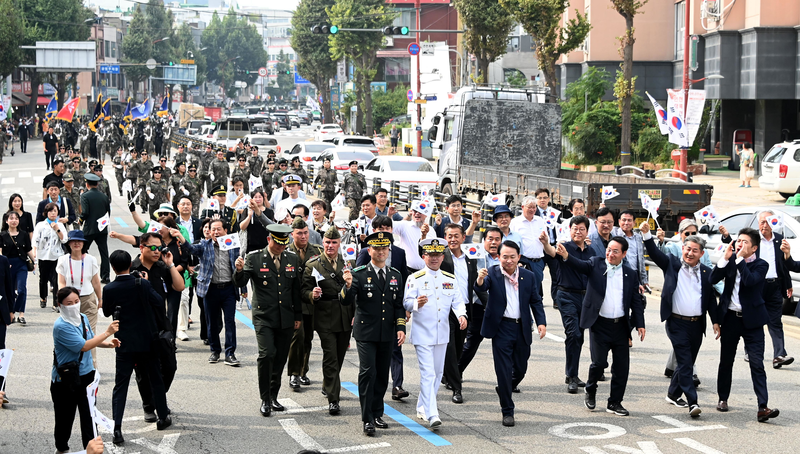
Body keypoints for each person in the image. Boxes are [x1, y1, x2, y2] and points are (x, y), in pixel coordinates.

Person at [556, 236, 645, 417]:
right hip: (599, 324)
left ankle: (615, 402)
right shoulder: (596, 264)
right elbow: (580, 265)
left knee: (622, 367)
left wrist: (640, 324)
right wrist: (566, 256)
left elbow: (636, 301)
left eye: (615, 251)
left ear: (624, 254)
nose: (610, 254)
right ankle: (591, 389)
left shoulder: (629, 273)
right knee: (599, 363)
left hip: (620, 326)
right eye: (609, 249)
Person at [640, 221, 716, 417]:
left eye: (695, 251)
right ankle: (693, 403)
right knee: (685, 363)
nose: (690, 253)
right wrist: (648, 236)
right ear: (683, 249)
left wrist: (716, 321)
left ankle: (673, 394)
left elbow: (710, 301)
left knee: (686, 361)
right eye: (687, 249)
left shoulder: (707, 273)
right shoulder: (672, 264)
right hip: (676, 322)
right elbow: (656, 255)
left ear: (701, 254)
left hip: (696, 325)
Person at [102, 251, 172, 445]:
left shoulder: (109, 288)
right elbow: (158, 302)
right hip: (147, 340)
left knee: (121, 385)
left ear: (113, 267)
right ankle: (162, 416)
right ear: (130, 266)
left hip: (124, 342)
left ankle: (117, 428)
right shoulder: (141, 283)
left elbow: (107, 311)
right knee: (155, 377)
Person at [474, 240, 546, 427]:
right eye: (504, 256)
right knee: (503, 370)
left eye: (512, 256)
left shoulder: (528, 277)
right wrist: (480, 279)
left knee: (520, 368)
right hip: (501, 328)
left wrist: (541, 323)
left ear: (518, 257)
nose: (508, 260)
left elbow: (536, 301)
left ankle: (505, 387)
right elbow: (481, 287)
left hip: (522, 327)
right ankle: (507, 410)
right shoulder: (493, 273)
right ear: (498, 257)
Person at [234, 224, 302, 417]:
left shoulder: (292, 258)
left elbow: (295, 290)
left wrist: (297, 316)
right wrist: (239, 271)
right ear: (269, 240)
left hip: (286, 317)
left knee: (280, 357)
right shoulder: (254, 258)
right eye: (278, 243)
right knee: (266, 354)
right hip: (264, 316)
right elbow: (240, 283)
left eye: (284, 244)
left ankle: (274, 396)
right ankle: (265, 398)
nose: (281, 247)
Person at [342, 231, 406, 435]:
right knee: (368, 372)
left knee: (381, 375)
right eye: (376, 248)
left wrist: (401, 328)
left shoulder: (395, 275)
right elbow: (344, 300)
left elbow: (398, 305)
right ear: (369, 250)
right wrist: (348, 285)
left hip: (387, 333)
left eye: (384, 248)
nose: (380, 252)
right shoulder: (359, 273)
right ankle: (367, 418)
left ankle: (378, 412)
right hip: (366, 333)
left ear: (389, 250)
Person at [711, 228, 778, 422]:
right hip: (730, 319)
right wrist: (725, 259)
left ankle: (762, 406)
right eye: (738, 240)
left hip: (753, 322)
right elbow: (712, 280)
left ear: (754, 247)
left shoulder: (761, 265)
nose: (740, 244)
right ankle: (723, 398)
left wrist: (739, 260)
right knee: (726, 361)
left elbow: (749, 281)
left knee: (757, 363)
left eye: (745, 242)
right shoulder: (731, 260)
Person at [403, 238, 467, 429]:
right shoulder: (415, 278)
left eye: (438, 255)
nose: (434, 258)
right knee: (428, 374)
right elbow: (406, 302)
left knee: (438, 373)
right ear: (424, 256)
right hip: (423, 333)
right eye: (430, 255)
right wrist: (416, 304)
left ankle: (422, 406)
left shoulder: (449, 279)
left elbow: (457, 300)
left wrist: (462, 314)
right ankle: (432, 413)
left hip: (442, 334)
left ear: (442, 257)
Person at [51, 287, 120, 454]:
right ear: (60, 305)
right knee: (64, 418)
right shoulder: (61, 326)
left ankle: (90, 450)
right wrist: (107, 333)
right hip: (66, 379)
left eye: (76, 302)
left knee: (89, 417)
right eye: (69, 303)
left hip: (87, 376)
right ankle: (61, 449)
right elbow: (84, 346)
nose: (74, 306)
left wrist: (107, 343)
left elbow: (90, 338)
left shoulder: (82, 318)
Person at [657, 219, 718, 385]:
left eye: (693, 233)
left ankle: (673, 378)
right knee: (684, 355)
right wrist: (659, 241)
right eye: (687, 234)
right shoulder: (674, 250)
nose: (690, 236)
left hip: (695, 317)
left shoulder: (701, 258)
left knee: (684, 350)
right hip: (677, 311)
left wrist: (715, 320)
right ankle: (692, 396)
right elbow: (662, 256)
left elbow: (709, 282)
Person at [355, 216, 409, 400]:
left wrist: (402, 321)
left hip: (389, 318)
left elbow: (400, 292)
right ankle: (368, 414)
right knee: (369, 370)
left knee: (390, 359)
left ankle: (396, 387)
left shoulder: (398, 260)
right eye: (379, 228)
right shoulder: (363, 260)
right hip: (368, 321)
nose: (381, 251)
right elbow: (356, 286)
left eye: (386, 227)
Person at [542, 215, 597, 393]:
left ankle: (571, 373)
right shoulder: (564, 247)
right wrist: (545, 243)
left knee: (578, 337)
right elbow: (551, 252)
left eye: (581, 229)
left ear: (587, 231)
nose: (578, 231)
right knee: (573, 334)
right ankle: (572, 376)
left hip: (585, 298)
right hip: (566, 295)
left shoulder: (591, 252)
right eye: (575, 228)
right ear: (570, 230)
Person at [302, 226, 354, 414]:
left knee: (339, 356)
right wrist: (311, 294)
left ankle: (328, 383)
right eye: (327, 242)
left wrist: (356, 313)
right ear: (322, 243)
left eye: (334, 242)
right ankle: (334, 399)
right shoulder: (313, 264)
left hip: (345, 315)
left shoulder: (349, 262)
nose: (330, 246)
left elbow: (355, 292)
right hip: (324, 315)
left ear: (339, 243)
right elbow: (303, 290)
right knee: (330, 356)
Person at [178, 219, 241, 366]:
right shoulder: (204, 245)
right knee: (211, 321)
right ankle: (215, 351)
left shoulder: (232, 244)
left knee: (230, 321)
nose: (216, 232)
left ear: (225, 231)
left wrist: (242, 285)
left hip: (228, 289)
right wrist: (180, 237)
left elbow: (239, 266)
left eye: (219, 229)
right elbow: (191, 249)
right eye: (213, 229)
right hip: (210, 289)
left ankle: (230, 353)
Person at [440, 223, 479, 404]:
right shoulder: (442, 257)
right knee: (449, 348)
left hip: (464, 309)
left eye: (456, 236)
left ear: (464, 238)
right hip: (446, 310)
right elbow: (421, 251)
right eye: (449, 236)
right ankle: (457, 388)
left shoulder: (470, 260)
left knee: (457, 347)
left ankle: (447, 374)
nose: (453, 239)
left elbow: (475, 286)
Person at [458, 227, 502, 375]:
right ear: (484, 241)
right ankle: (455, 372)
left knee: (506, 343)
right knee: (473, 342)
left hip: (501, 307)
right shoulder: (476, 255)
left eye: (497, 239)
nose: (494, 242)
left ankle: (510, 379)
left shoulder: (506, 257)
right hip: (479, 305)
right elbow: (466, 242)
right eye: (490, 239)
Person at [56, 230, 103, 367]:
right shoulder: (63, 260)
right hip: (69, 301)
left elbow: (96, 282)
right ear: (69, 243)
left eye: (79, 241)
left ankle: (92, 365)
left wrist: (100, 299)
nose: (76, 243)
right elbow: (61, 283)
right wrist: (62, 300)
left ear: (84, 243)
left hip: (88, 299)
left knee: (90, 334)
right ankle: (73, 363)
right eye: (73, 241)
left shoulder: (91, 259)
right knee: (72, 332)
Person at [287, 216, 323, 390]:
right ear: (292, 234)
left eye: (306, 233)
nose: (303, 236)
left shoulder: (317, 251)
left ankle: (303, 371)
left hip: (311, 302)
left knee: (307, 338)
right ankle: (294, 373)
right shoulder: (286, 251)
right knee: (297, 337)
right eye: (299, 233)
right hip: (294, 303)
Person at [33, 203, 68, 310]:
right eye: (51, 211)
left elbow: (64, 239)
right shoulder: (40, 225)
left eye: (55, 211)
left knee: (56, 279)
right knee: (43, 278)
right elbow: (35, 241)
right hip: (43, 256)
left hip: (57, 256)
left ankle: (55, 302)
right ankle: (43, 297)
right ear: (46, 213)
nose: (53, 213)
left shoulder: (60, 225)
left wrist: (57, 229)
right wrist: (34, 254)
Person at [1, 212, 35, 325]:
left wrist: (34, 262)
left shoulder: (24, 234)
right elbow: (0, 252)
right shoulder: (2, 235)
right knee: (9, 291)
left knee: (21, 289)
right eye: (11, 218)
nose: (14, 220)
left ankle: (21, 313)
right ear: (6, 221)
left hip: (21, 264)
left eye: (16, 218)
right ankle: (11, 312)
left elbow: (29, 249)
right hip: (8, 265)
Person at [81, 172, 112, 283]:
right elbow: (108, 212)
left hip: (89, 228)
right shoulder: (104, 196)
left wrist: (80, 220)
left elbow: (85, 213)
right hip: (102, 228)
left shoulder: (85, 196)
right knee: (104, 253)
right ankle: (106, 276)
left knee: (82, 250)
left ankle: (83, 273)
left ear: (87, 184)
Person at [509, 196, 546, 280]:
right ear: (523, 207)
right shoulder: (515, 222)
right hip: (523, 261)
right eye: (530, 207)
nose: (532, 210)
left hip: (538, 262)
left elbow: (546, 240)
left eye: (534, 207)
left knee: (536, 289)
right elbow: (511, 243)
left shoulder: (540, 221)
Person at [612, 210, 648, 294]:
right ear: (619, 221)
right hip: (620, 273)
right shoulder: (614, 234)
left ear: (634, 222)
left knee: (637, 304)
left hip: (635, 275)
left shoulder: (638, 237)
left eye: (629, 220)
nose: (626, 223)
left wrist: (644, 280)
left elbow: (641, 260)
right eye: (624, 220)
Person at [392, 204, 431, 272]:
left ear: (426, 214)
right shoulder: (404, 225)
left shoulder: (431, 230)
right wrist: (390, 215)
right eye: (415, 211)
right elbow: (388, 227)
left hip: (427, 270)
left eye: (420, 212)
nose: (417, 214)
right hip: (408, 269)